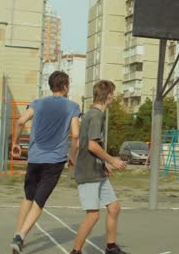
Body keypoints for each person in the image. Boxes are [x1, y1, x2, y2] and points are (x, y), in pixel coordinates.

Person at [10, 71, 81, 253]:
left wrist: (16, 143)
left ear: (51, 86)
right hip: (54, 160)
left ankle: (17, 234)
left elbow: (20, 122)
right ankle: (21, 236)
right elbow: (76, 134)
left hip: (34, 158)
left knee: (28, 196)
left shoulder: (37, 103)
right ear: (65, 86)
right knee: (39, 201)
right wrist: (73, 156)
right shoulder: (72, 106)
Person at [70, 80, 128, 254]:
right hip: (88, 173)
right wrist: (113, 160)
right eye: (113, 94)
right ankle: (76, 251)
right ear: (109, 96)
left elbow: (86, 143)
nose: (113, 97)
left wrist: (102, 164)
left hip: (97, 170)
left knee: (114, 207)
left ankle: (110, 247)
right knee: (93, 215)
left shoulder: (92, 114)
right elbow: (91, 146)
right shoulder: (96, 115)